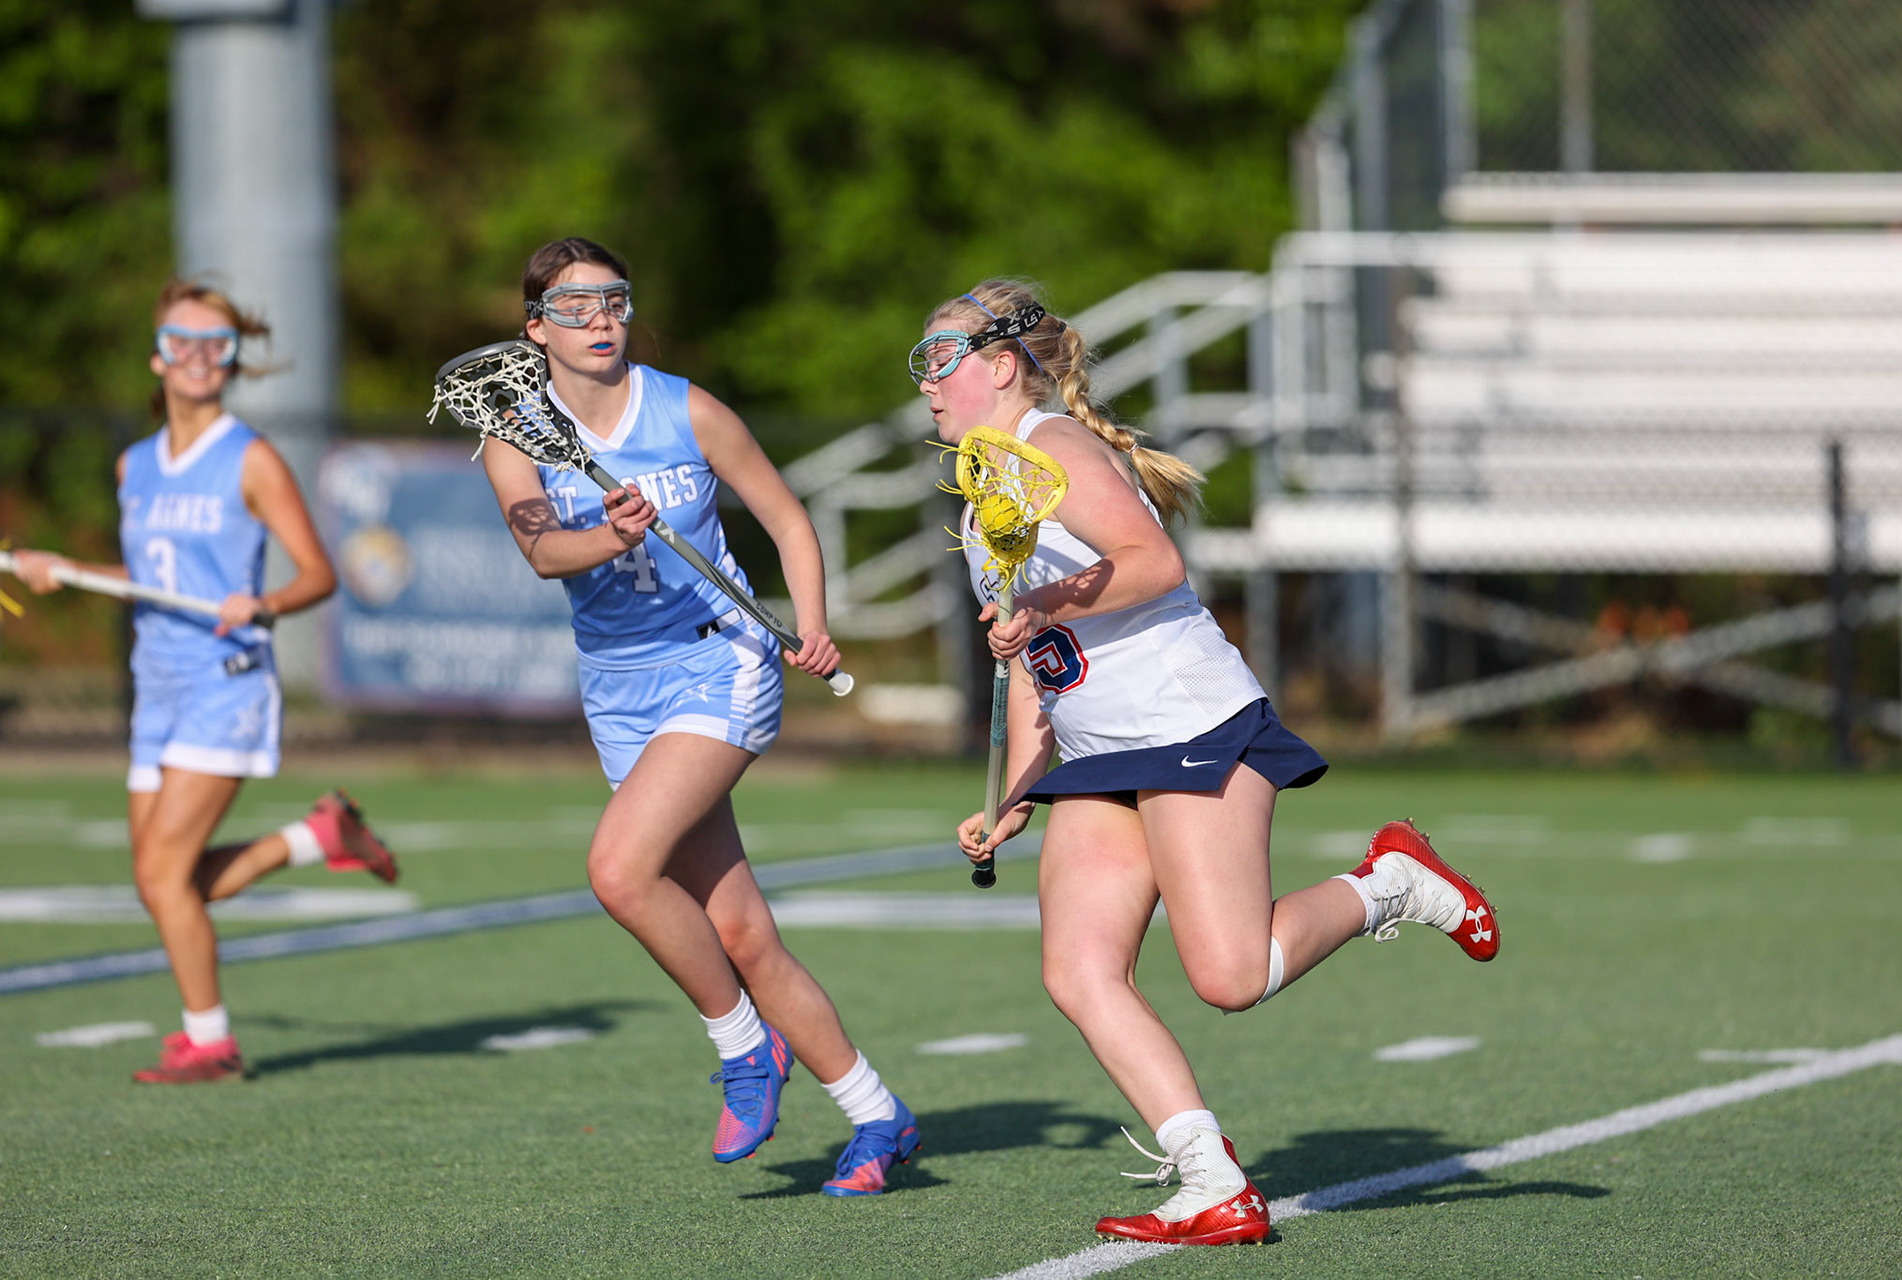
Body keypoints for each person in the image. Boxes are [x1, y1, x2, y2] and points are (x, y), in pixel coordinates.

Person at [920, 279, 1501, 1246]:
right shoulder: (983, 487)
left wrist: (1046, 602)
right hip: (1100, 753)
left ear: (1001, 365)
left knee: (1231, 977)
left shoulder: (1055, 448)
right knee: (1079, 971)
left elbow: (1152, 564)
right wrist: (1017, 791)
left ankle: (1390, 882)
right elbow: (1033, 660)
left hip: (1186, 722)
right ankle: (1211, 1181)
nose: (927, 381)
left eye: (940, 359)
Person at [478, 237, 917, 1196]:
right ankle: (878, 1117)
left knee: (617, 870)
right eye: (575, 305)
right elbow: (545, 551)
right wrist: (610, 532)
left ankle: (744, 1050)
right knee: (745, 934)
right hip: (619, 686)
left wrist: (812, 622)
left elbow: (789, 520)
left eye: (614, 300)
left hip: (720, 660)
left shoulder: (687, 408)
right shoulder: (513, 435)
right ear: (536, 328)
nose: (599, 320)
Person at [9, 279, 399, 1085]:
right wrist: (65, 569)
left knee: (161, 876)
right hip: (158, 689)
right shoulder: (134, 465)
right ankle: (318, 838)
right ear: (157, 357)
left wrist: (263, 600)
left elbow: (318, 573)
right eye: (182, 342)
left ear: (231, 361)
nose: (197, 357)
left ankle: (210, 1042)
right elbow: (149, 574)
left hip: (226, 684)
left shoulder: (249, 457)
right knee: (164, 881)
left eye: (215, 345)